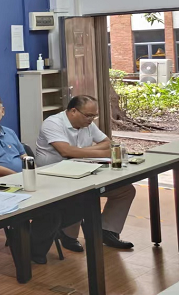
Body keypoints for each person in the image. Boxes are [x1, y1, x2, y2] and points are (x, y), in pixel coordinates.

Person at [0, 93, 63, 263]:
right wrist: (24, 176)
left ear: (3, 111)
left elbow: (24, 156)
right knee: (50, 211)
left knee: (61, 203)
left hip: (19, 182)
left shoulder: (8, 132)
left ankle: (31, 246)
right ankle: (29, 251)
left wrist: (33, 173)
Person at [35, 95, 136, 250]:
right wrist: (102, 153)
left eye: (94, 116)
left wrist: (81, 152)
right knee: (84, 193)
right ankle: (68, 235)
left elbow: (108, 143)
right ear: (73, 111)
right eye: (88, 115)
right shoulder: (53, 123)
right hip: (54, 176)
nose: (91, 119)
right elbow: (66, 151)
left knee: (125, 190)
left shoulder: (87, 123)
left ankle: (106, 230)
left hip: (83, 171)